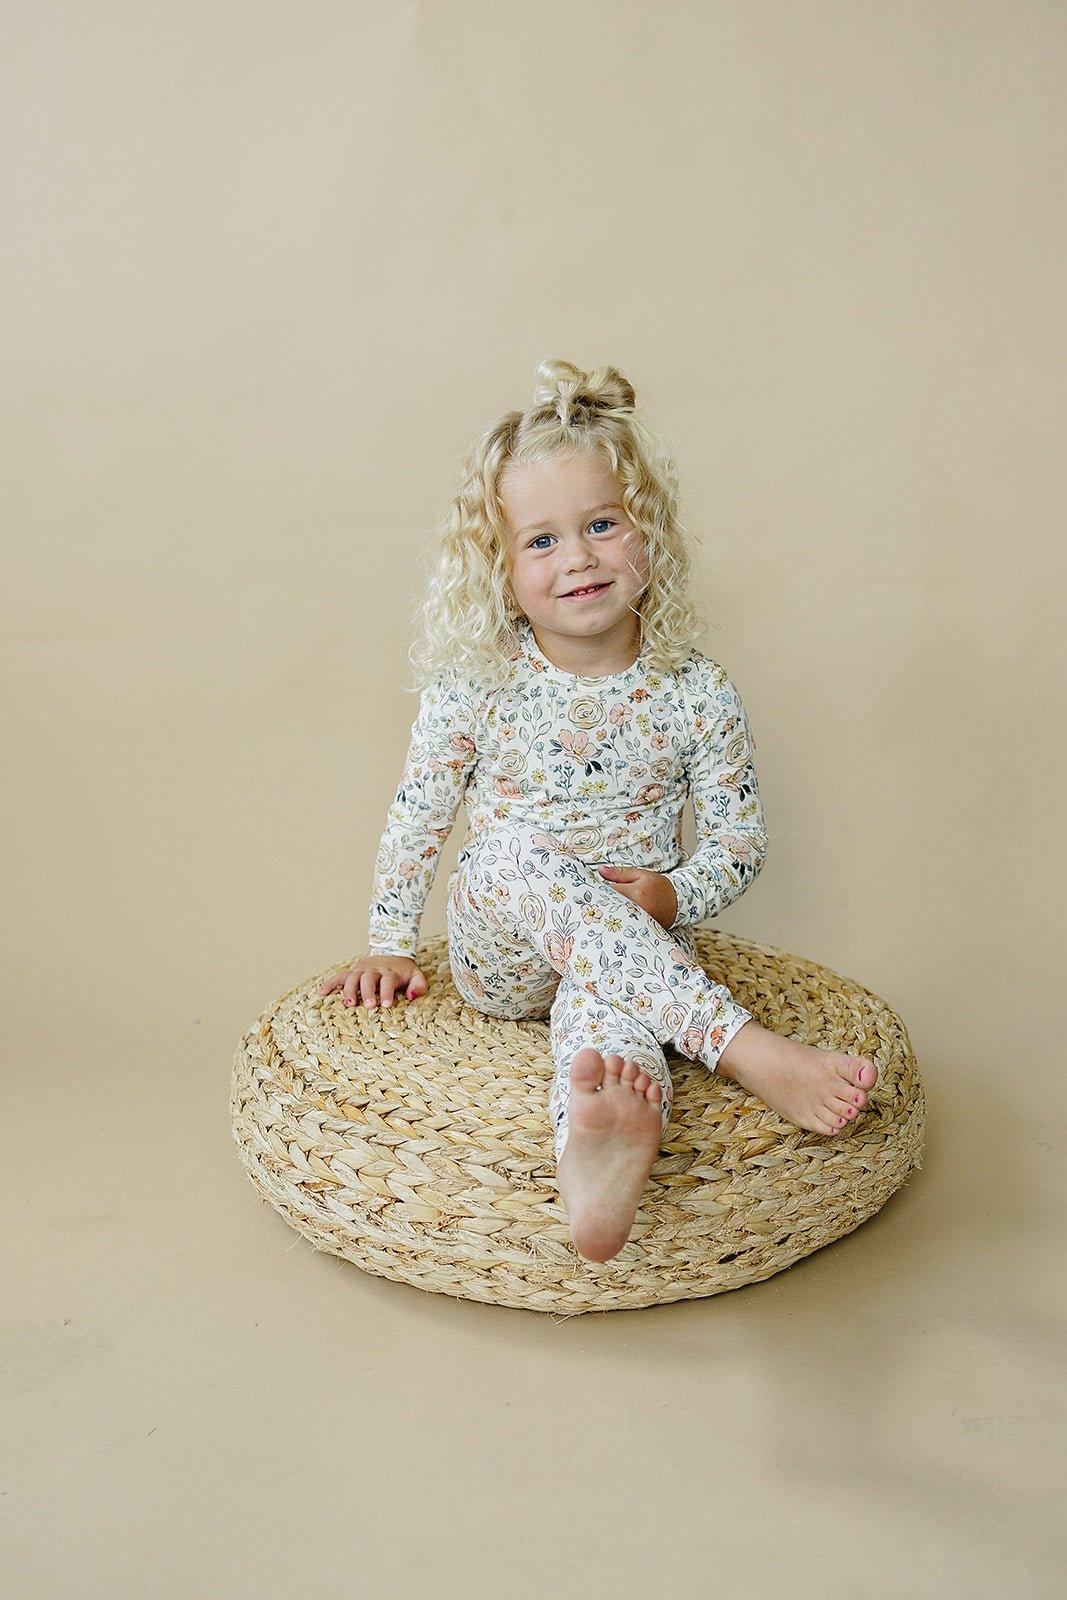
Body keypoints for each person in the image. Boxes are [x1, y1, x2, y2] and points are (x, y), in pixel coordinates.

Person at [318, 358, 878, 1263]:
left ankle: (599, 1155)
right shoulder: (476, 683)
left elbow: (738, 840)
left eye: (601, 525)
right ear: (498, 570)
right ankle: (744, 1048)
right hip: (505, 952)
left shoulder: (694, 690)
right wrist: (390, 940)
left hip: (628, 943)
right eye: (539, 540)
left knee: (609, 1038)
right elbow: (419, 817)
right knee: (503, 855)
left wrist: (672, 896)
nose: (576, 557)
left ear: (647, 531)